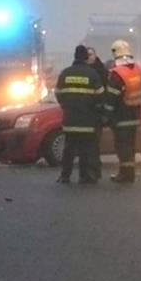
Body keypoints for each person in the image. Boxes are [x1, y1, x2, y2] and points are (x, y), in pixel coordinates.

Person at [55, 45, 105, 184]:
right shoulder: (92, 74)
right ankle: (85, 176)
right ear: (85, 57)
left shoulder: (65, 73)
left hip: (70, 120)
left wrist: (66, 105)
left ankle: (65, 176)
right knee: (86, 150)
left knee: (69, 150)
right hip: (87, 121)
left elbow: (58, 93)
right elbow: (100, 95)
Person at [103, 39, 141, 183]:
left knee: (122, 147)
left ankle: (124, 175)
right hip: (135, 115)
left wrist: (106, 115)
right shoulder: (138, 70)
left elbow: (111, 97)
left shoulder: (117, 73)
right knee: (131, 146)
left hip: (121, 117)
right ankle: (130, 173)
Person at [87, 47, 109, 179]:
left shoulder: (101, 71)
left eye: (91, 54)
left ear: (96, 55)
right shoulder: (82, 71)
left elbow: (104, 92)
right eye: (87, 55)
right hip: (85, 112)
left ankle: (95, 171)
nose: (89, 57)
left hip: (96, 112)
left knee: (94, 143)